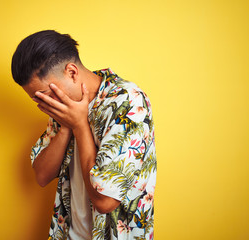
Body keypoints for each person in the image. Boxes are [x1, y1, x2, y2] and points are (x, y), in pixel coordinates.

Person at [11, 30, 157, 240]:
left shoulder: (128, 103)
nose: (45, 105)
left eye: (46, 96)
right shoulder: (63, 106)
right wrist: (66, 126)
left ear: (71, 72)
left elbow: (105, 202)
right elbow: (42, 176)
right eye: (38, 100)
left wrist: (80, 124)